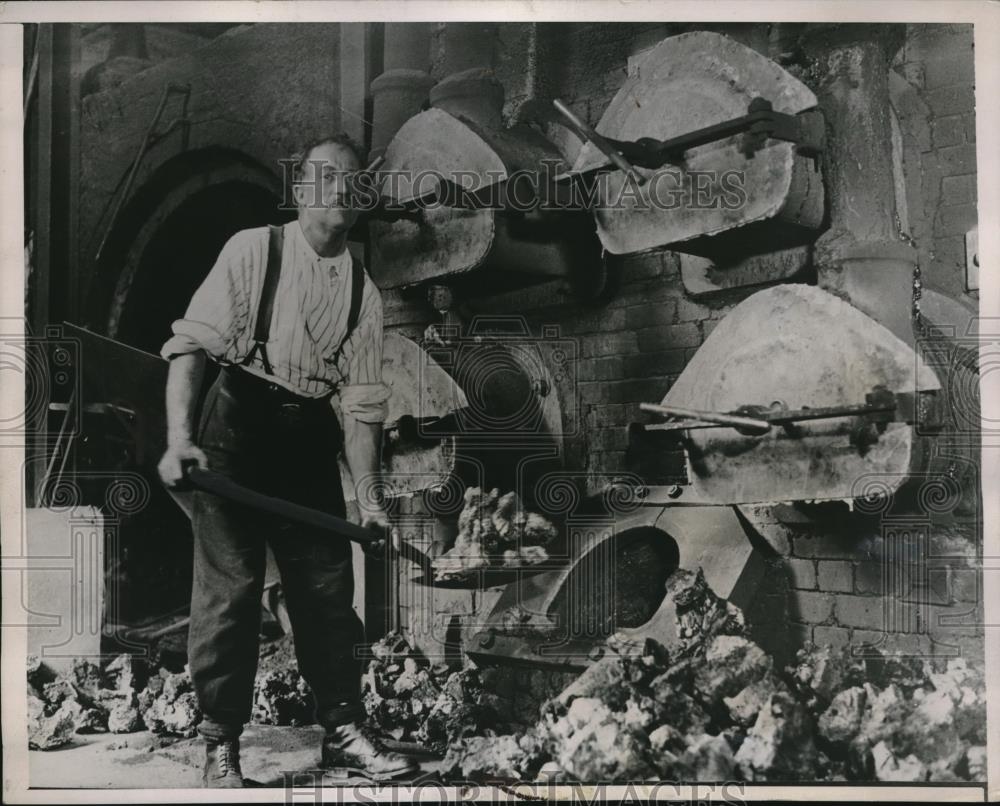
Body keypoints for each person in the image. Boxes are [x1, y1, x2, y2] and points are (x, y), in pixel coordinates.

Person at [157, 134, 416, 787]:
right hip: (234, 433)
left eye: (352, 182)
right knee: (234, 589)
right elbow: (191, 348)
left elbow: (360, 412)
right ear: (300, 190)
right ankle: (220, 743)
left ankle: (345, 729)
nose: (337, 190)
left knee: (329, 592)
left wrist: (373, 503)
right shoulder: (253, 251)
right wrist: (180, 439)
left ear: (360, 202)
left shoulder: (365, 294)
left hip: (305, 444)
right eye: (323, 177)